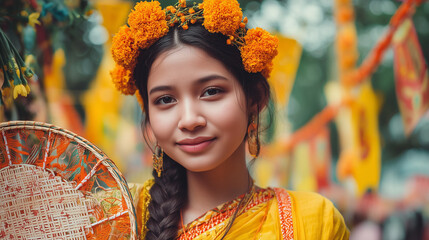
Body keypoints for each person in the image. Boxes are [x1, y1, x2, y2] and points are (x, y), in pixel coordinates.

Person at [110, 0, 350, 239]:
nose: (190, 120)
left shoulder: (313, 221)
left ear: (255, 98)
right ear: (149, 115)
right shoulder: (112, 217)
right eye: (165, 100)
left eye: (211, 91)